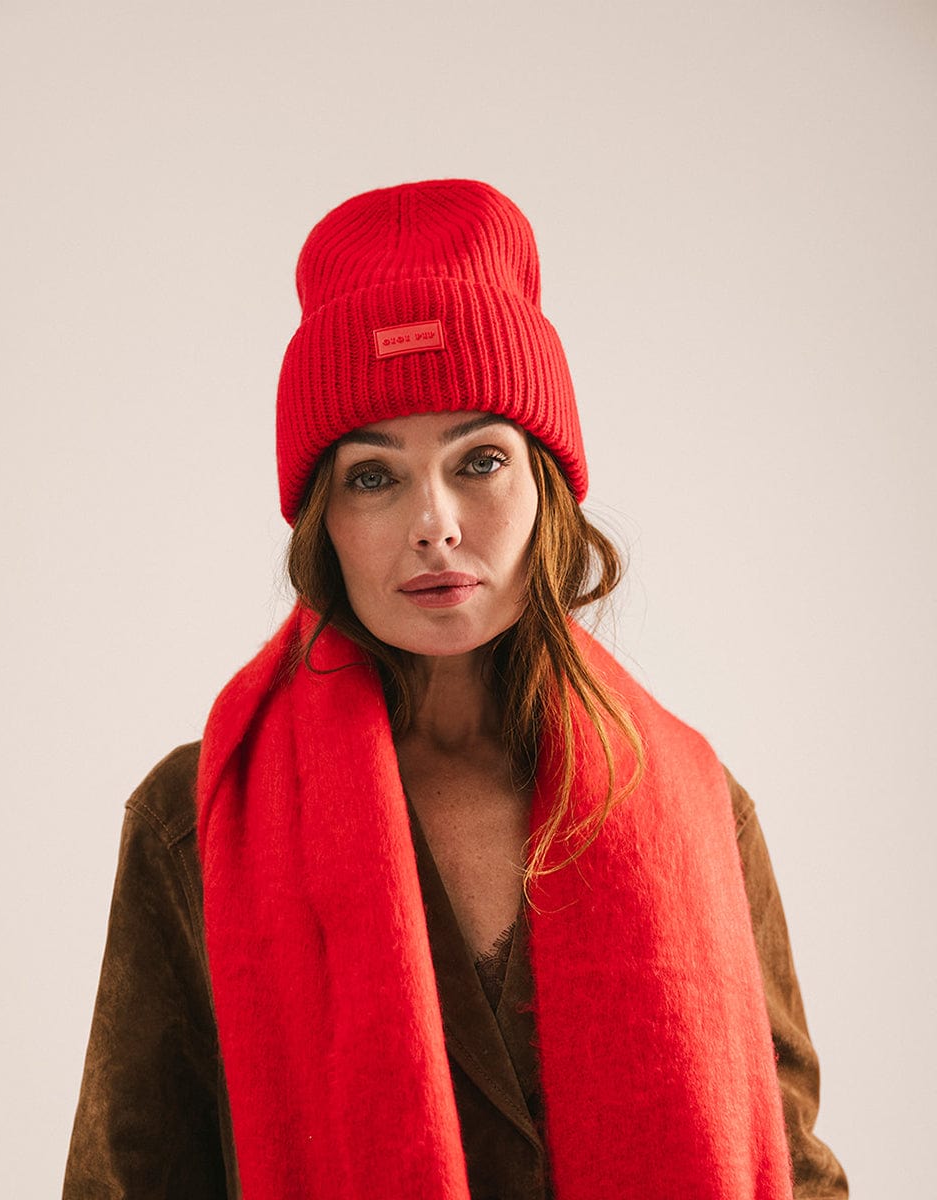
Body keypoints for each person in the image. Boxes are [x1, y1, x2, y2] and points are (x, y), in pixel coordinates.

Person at [63, 179, 848, 1199]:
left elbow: (795, 1170)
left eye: (478, 460)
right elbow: (127, 1180)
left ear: (545, 489)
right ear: (323, 524)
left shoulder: (698, 805)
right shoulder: (195, 816)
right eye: (373, 476)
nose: (433, 522)